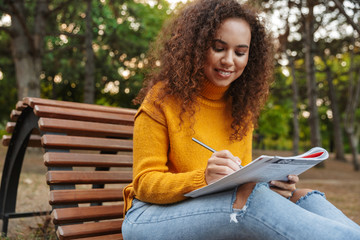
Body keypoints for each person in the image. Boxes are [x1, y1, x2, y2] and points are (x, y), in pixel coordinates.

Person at [122, 0, 360, 239]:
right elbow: (144, 184)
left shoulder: (241, 109)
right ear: (196, 46)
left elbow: (244, 182)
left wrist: (275, 186)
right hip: (149, 217)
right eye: (218, 48)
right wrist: (202, 178)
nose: (229, 60)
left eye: (240, 52)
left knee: (305, 197)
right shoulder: (162, 99)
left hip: (218, 210)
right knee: (249, 201)